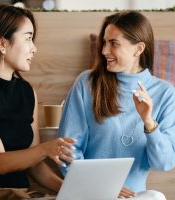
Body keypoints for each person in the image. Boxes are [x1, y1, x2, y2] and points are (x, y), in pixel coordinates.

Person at [58, 10, 175, 199]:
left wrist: (148, 122)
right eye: (104, 42)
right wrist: (100, 187)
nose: (104, 51)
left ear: (138, 49)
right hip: (89, 193)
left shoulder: (165, 92)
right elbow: (66, 150)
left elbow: (164, 163)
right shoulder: (87, 83)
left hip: (133, 197)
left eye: (114, 43)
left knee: (155, 196)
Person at [0, 4, 75, 199]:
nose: (34, 48)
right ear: (2, 44)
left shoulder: (27, 92)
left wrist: (75, 191)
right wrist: (46, 148)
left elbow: (35, 166)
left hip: (22, 193)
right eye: (28, 38)